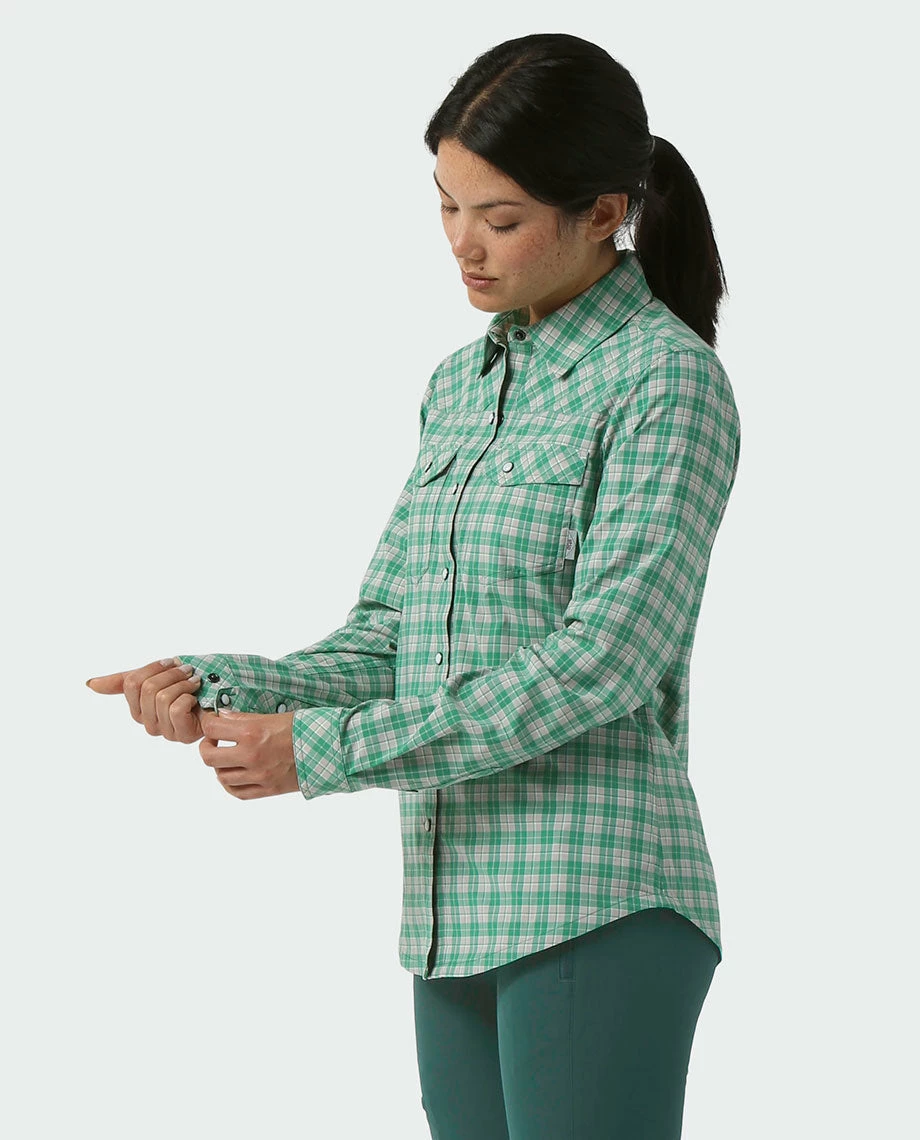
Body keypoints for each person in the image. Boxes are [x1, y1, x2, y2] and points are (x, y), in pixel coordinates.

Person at [87, 32, 741, 1140]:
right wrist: (220, 683)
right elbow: (392, 637)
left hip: (594, 897)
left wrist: (324, 753)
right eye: (445, 206)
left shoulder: (665, 380)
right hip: (453, 910)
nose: (461, 245)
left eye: (500, 219)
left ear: (602, 211)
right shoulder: (460, 387)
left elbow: (602, 664)